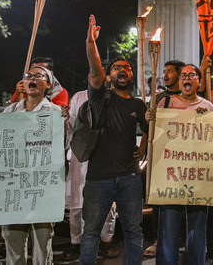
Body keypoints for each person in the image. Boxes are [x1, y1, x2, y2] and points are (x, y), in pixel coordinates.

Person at [80, 15, 148, 264]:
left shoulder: (138, 104)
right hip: (99, 179)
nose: (123, 70)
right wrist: (91, 43)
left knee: (134, 232)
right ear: (108, 77)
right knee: (91, 233)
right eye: (117, 68)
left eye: (127, 68)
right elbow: (95, 68)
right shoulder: (100, 97)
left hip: (130, 178)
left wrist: (143, 148)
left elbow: (151, 130)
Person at [146, 64, 213, 265]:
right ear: (180, 81)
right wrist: (150, 120)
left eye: (192, 75)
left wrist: (207, 121)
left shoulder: (208, 107)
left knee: (197, 229)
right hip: (172, 177)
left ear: (199, 82)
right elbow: (156, 138)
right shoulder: (166, 103)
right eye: (183, 74)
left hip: (198, 176)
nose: (187, 77)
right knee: (168, 227)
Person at [1, 65, 65, 265]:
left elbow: (65, 146)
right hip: (13, 187)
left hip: (42, 188)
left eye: (39, 76)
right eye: (29, 75)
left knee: (42, 243)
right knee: (13, 241)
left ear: (48, 84)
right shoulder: (9, 111)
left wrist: (65, 124)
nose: (33, 79)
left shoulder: (57, 113)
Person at [63, 88, 117, 261]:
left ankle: (106, 241)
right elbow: (71, 126)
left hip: (105, 156)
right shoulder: (79, 96)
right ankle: (75, 242)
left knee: (106, 204)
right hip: (80, 157)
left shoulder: (112, 96)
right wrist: (64, 119)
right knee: (77, 204)